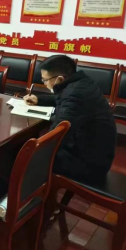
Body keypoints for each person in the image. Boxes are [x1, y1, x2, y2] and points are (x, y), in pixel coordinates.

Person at [24, 55, 117, 184]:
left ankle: (24, 193)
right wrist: (39, 99)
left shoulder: (76, 94)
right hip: (93, 153)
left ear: (59, 79)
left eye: (45, 80)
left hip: (88, 164)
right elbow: (64, 98)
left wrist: (33, 150)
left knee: (26, 158)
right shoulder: (81, 83)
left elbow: (56, 135)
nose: (44, 83)